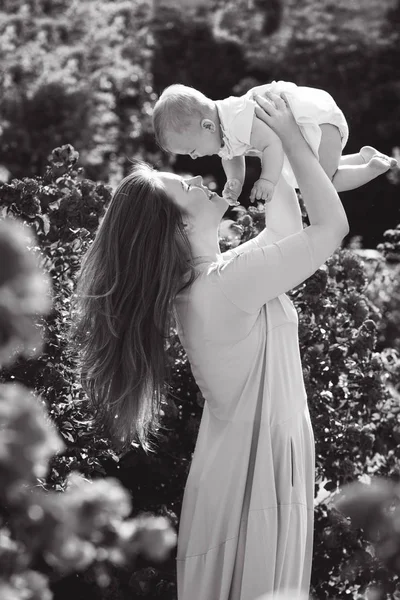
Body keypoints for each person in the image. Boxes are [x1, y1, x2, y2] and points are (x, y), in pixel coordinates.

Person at [72, 91, 349, 600]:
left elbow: (286, 228)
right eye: (187, 186)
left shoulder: (215, 281)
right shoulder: (224, 285)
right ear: (177, 225)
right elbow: (331, 229)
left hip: (253, 475)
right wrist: (288, 136)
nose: (200, 178)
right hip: (253, 482)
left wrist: (276, 148)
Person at [152, 81, 397, 205]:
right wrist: (234, 181)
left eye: (191, 151)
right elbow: (231, 156)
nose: (194, 157)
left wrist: (267, 180)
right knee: (311, 173)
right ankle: (362, 158)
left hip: (313, 121)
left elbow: (271, 145)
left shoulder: (236, 118)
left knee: (321, 183)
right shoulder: (223, 127)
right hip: (309, 125)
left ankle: (372, 168)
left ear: (207, 126)